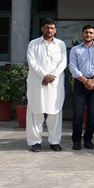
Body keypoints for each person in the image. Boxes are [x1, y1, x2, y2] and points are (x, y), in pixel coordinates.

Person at [26, 18, 67, 152]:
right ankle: (35, 142)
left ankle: (54, 141)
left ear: (55, 30)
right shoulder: (33, 44)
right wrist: (44, 75)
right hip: (37, 83)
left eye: (52, 28)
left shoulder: (60, 44)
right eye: (47, 28)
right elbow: (32, 63)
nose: (49, 30)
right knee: (35, 112)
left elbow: (63, 63)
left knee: (54, 112)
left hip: (54, 83)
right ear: (42, 28)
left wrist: (51, 76)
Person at [69, 24, 94, 150]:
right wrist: (86, 81)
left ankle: (88, 140)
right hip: (80, 84)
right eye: (86, 32)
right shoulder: (75, 49)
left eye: (91, 33)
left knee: (92, 115)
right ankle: (76, 141)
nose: (88, 35)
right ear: (82, 34)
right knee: (78, 114)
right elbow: (73, 68)